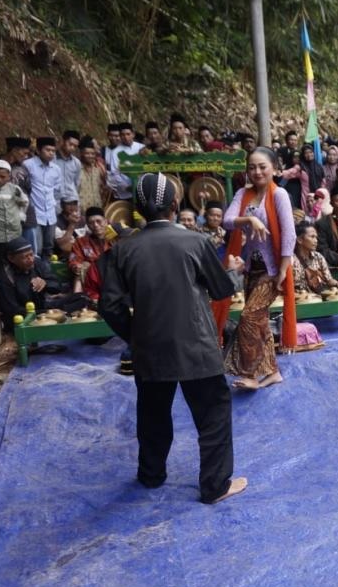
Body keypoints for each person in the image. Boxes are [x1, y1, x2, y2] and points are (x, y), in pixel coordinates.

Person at [98, 172, 246, 505]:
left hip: (150, 349)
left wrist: (136, 334)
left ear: (136, 209)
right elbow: (221, 290)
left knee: (152, 413)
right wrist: (233, 270)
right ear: (176, 205)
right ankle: (214, 486)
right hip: (197, 347)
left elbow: (108, 305)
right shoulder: (195, 241)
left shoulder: (123, 250)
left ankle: (151, 475)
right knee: (212, 416)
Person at [221, 147, 297, 391]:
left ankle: (251, 373)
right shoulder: (243, 193)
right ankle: (272, 372)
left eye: (262, 166)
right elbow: (227, 220)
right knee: (260, 320)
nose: (257, 171)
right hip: (251, 267)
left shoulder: (279, 195)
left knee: (249, 317)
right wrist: (249, 219)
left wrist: (284, 270)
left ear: (274, 168)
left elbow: (289, 234)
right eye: (252, 167)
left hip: (273, 268)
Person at [0, 236, 66, 332]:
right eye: (25, 257)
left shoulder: (36, 263)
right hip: (24, 318)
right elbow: (11, 310)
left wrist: (45, 283)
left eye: (31, 255)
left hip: (43, 307)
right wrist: (44, 314)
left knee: (81, 299)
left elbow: (57, 286)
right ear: (11, 259)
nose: (31, 259)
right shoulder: (4, 277)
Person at [23, 137, 62, 259]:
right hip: (35, 214)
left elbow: (57, 191)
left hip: (50, 213)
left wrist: (56, 208)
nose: (51, 153)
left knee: (49, 247)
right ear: (38, 151)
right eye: (48, 150)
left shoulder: (56, 169)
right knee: (35, 247)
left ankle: (47, 273)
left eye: (53, 151)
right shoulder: (28, 165)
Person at [68, 207, 111, 301]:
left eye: (98, 221)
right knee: (81, 271)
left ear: (105, 221)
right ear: (87, 225)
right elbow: (74, 260)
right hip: (92, 280)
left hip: (113, 277)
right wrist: (77, 267)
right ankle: (77, 302)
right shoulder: (81, 242)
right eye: (91, 222)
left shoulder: (115, 237)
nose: (95, 225)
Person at [0, 159, 28, 269]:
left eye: (2, 177)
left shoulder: (14, 189)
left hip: (14, 233)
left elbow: (24, 202)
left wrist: (21, 216)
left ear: (8, 176)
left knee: (14, 262)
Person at [291, 221, 338, 293]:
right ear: (300, 240)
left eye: (316, 237)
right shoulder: (291, 260)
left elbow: (329, 280)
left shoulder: (318, 257)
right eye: (312, 237)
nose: (316, 241)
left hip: (317, 298)